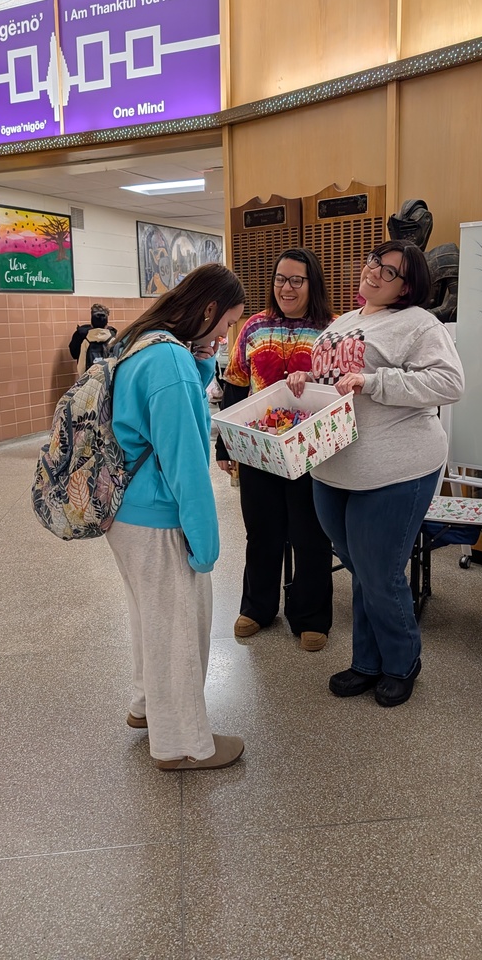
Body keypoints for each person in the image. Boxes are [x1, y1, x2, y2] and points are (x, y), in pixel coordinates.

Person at [287, 240, 464, 706]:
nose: (375, 272)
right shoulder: (346, 320)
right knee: (361, 570)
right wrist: (303, 380)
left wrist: (375, 382)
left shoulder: (420, 324)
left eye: (389, 271)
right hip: (332, 467)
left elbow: (450, 383)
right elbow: (330, 376)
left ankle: (401, 660)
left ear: (409, 286)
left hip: (394, 469)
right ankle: (366, 661)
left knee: (380, 573)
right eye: (373, 262)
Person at [107, 264, 246, 771]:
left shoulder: (142, 342)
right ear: (208, 310)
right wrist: (206, 544)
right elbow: (186, 463)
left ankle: (147, 706)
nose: (225, 335)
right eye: (227, 323)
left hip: (125, 512)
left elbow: (159, 411)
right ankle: (182, 744)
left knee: (150, 617)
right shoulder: (170, 363)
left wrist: (202, 361)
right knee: (179, 630)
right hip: (159, 519)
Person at [216, 247, 335, 651]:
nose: (286, 287)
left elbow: (342, 389)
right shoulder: (253, 327)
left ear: (311, 283)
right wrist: (225, 445)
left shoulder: (332, 330)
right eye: (280, 279)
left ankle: (311, 616)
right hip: (257, 449)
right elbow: (234, 384)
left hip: (311, 453)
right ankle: (258, 607)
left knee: (311, 534)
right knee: (262, 532)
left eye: (296, 280)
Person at [69, 303, 117, 373]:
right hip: (107, 378)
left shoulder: (84, 338)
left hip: (90, 377)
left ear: (91, 324)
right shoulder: (113, 339)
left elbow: (80, 365)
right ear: (106, 324)